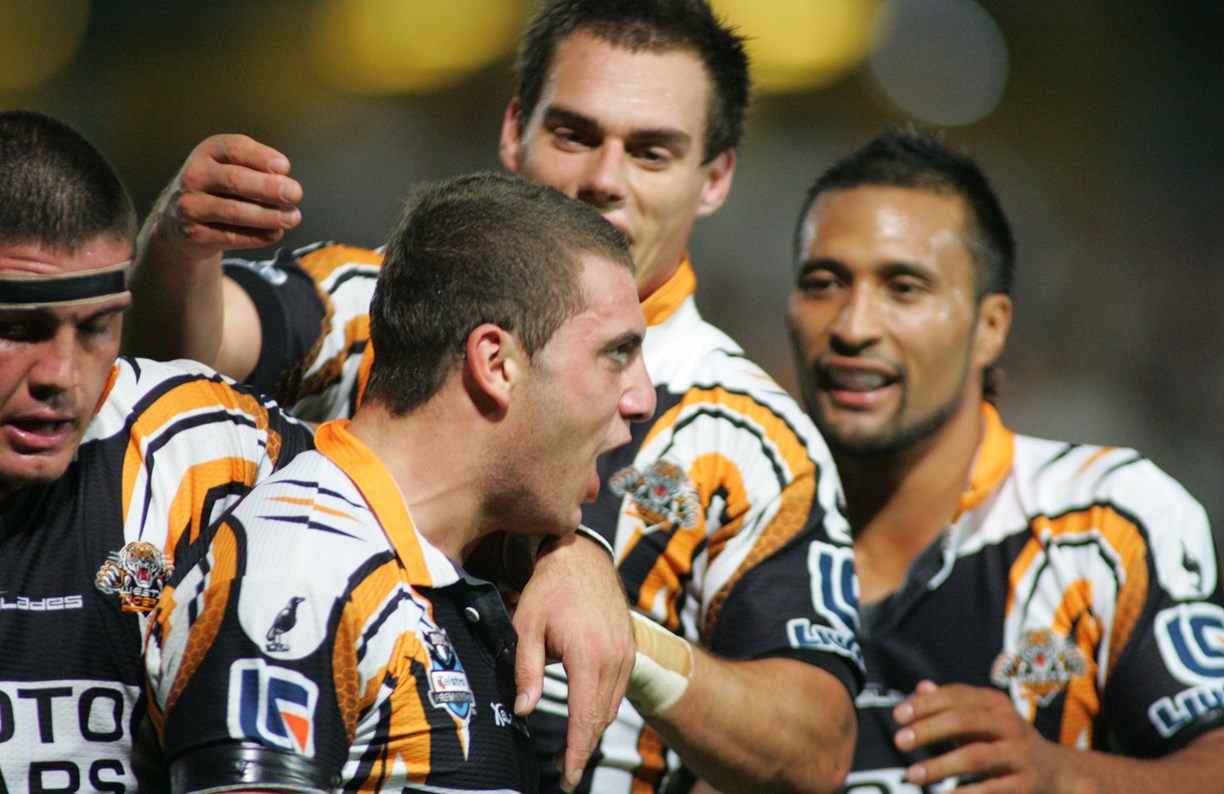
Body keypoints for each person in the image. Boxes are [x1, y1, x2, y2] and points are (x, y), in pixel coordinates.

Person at [125, 1, 864, 792]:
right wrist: (175, 245)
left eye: (652, 152)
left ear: (714, 177)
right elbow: (181, 359)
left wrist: (625, 631)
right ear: (515, 131)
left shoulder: (748, 434)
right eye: (574, 134)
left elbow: (816, 753)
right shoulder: (385, 300)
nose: (604, 180)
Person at [145, 171, 656, 791]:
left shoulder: (440, 567)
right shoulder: (300, 573)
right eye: (616, 353)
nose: (643, 398)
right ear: (497, 364)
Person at [784, 126, 1224, 792]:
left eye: (904, 288)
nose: (852, 326)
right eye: (823, 283)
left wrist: (1062, 775)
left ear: (991, 327)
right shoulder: (730, 515)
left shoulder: (1105, 524)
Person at [0, 110, 315, 790]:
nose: (62, 375)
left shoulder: (192, 444)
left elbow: (427, 499)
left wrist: (552, 553)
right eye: (19, 328)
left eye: (98, 327)